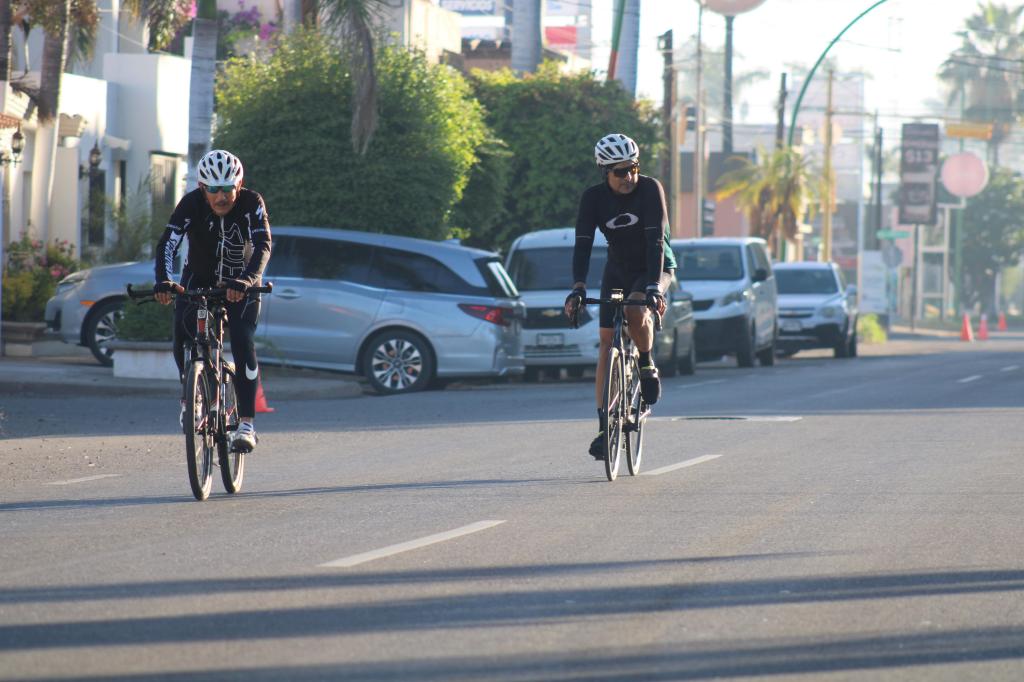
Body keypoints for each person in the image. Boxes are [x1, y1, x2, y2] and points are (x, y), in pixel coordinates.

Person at [564, 133, 676, 460]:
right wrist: (578, 287)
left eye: (632, 168)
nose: (628, 177)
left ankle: (645, 362)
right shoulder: (593, 199)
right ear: (604, 172)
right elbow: (583, 245)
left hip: (654, 266)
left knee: (633, 309)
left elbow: (656, 241)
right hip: (618, 267)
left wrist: (654, 286)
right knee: (605, 340)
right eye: (619, 172)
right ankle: (604, 425)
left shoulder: (651, 189)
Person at [153, 149, 272, 453]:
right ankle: (190, 396)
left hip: (240, 282)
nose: (222, 197)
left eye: (228, 189)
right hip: (199, 278)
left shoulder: (251, 203)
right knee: (183, 330)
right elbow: (168, 243)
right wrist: (164, 281)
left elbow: (262, 246)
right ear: (202, 188)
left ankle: (246, 423)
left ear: (239, 184)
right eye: (214, 189)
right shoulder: (191, 204)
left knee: (243, 340)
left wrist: (245, 281)